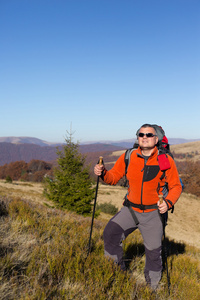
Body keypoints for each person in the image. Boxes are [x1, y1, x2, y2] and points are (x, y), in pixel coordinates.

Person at [94, 124, 182, 290]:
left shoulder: (165, 159)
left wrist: (168, 203)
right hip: (130, 210)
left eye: (149, 134)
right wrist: (103, 172)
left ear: (156, 139)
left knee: (154, 254)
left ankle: (152, 289)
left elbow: (176, 186)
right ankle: (115, 274)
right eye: (141, 134)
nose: (144, 137)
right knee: (111, 233)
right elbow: (113, 177)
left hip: (153, 214)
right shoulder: (129, 156)